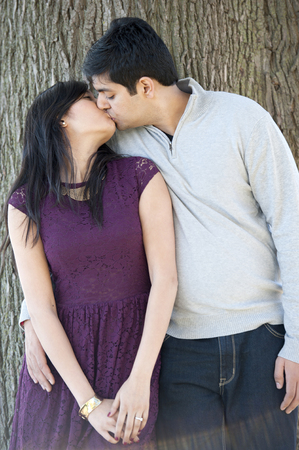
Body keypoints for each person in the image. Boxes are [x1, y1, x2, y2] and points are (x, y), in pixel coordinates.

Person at [20, 17, 299, 450]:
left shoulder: (242, 119)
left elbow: (292, 226)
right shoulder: (123, 144)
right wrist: (31, 315)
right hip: (179, 349)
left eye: (108, 95)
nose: (102, 106)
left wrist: (298, 342)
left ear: (146, 87)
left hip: (262, 336)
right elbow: (66, 227)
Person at [4, 79, 177, 450]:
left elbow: (166, 281)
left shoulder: (139, 176)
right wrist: (90, 404)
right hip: (61, 377)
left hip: (131, 365)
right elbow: (42, 308)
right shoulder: (26, 204)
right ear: (61, 119)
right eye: (89, 98)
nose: (103, 103)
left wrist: (140, 380)